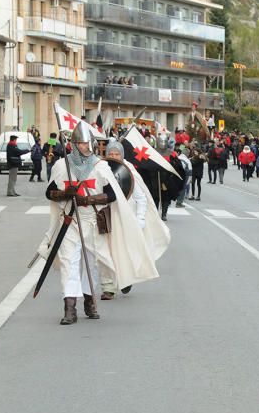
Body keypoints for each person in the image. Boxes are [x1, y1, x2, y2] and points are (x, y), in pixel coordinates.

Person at [39, 124, 156, 323]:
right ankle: (70, 308)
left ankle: (89, 302)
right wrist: (65, 194)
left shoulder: (100, 166)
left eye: (87, 142)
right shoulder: (62, 166)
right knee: (69, 263)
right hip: (70, 221)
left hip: (92, 222)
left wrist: (88, 200)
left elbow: (112, 194)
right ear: (74, 144)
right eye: (81, 143)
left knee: (91, 264)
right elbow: (49, 192)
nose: (85, 146)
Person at [99, 139, 170, 300]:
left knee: (124, 250)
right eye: (111, 153)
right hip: (106, 216)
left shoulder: (128, 170)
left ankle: (126, 278)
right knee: (105, 251)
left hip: (126, 218)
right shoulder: (100, 169)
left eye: (117, 153)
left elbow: (140, 197)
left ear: (122, 155)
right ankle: (108, 287)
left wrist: (140, 219)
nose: (114, 156)